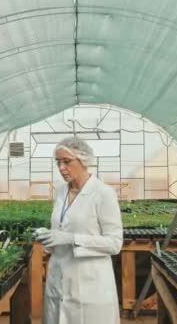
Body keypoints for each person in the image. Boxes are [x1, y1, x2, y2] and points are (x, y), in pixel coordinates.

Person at [36, 136, 123, 324]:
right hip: (59, 276)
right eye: (58, 162)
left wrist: (71, 238)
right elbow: (61, 226)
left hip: (90, 280)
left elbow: (114, 244)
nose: (61, 168)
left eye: (67, 162)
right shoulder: (61, 191)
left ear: (84, 161)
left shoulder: (103, 193)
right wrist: (49, 238)